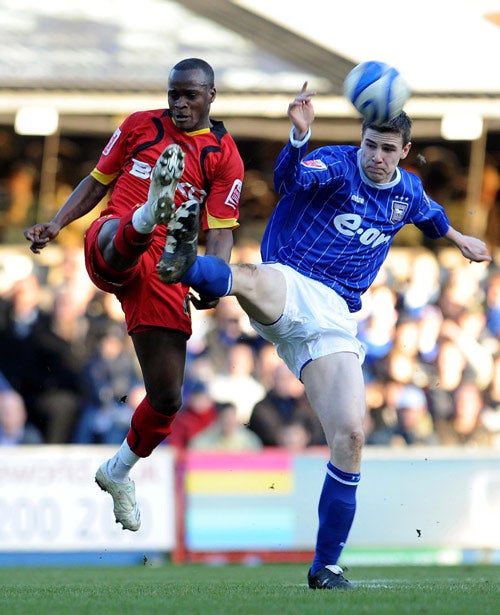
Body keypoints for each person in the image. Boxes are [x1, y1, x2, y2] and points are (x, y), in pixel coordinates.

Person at [157, 82, 492, 589]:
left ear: (403, 152)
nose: (375, 158)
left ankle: (325, 566)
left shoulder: (407, 191)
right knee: (251, 277)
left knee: (351, 438)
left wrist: (461, 238)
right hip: (291, 280)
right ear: (360, 140)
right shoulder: (336, 164)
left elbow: (430, 215)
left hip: (335, 319)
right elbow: (289, 180)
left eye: (386, 150)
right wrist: (299, 135)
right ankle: (183, 261)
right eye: (369, 145)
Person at [23, 58, 244, 531]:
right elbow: (95, 182)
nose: (180, 104)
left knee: (167, 398)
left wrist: (211, 279)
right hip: (115, 239)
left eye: (190, 96)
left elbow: (222, 231)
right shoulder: (139, 126)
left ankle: (117, 472)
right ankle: (149, 213)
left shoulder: (224, 156)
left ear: (211, 96)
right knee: (120, 240)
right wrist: (57, 223)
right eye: (173, 94)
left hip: (169, 270)